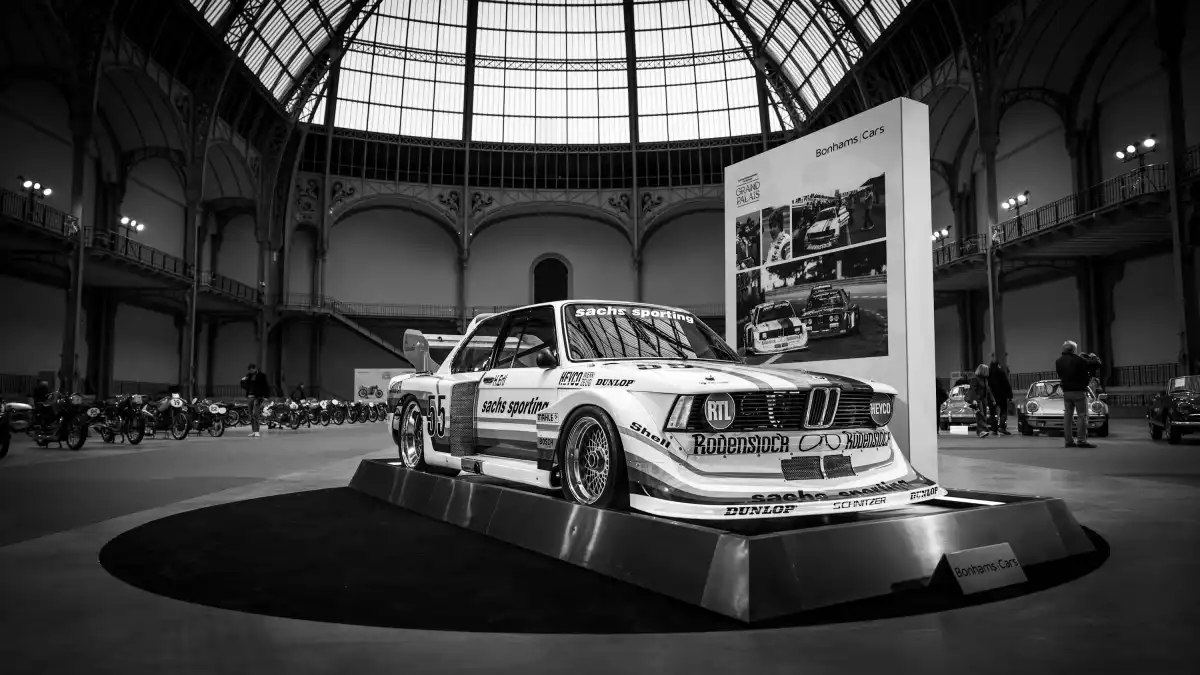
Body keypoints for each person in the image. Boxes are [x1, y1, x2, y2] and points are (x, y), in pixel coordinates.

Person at [1055, 341, 1096, 448]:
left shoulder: (1058, 361)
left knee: (1068, 417)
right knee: (1082, 416)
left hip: (1066, 392)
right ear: (1073, 350)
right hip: (1079, 391)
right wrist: (1093, 357)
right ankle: (1081, 440)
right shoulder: (1079, 360)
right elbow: (1096, 364)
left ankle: (1068, 441)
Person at [241, 364, 269, 438]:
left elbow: (265, 386)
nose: (250, 371)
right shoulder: (248, 376)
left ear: (255, 369)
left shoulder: (261, 376)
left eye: (251, 370)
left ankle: (257, 431)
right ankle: (254, 431)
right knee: (250, 414)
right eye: (249, 370)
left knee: (255, 413)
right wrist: (242, 381)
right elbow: (245, 387)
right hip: (250, 396)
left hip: (258, 397)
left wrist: (265, 396)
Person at [967, 365, 995, 438]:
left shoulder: (985, 380)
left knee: (983, 415)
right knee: (980, 415)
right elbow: (972, 390)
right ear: (983, 371)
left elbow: (988, 391)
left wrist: (992, 399)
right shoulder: (975, 379)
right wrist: (974, 400)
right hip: (977, 400)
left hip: (983, 400)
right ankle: (981, 431)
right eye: (986, 370)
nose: (988, 372)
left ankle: (980, 431)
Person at [988, 359, 1013, 435]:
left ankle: (994, 428)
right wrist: (1010, 395)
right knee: (1003, 411)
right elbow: (1006, 384)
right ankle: (1002, 427)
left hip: (992, 396)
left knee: (993, 413)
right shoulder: (1001, 373)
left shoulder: (988, 374)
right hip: (1002, 396)